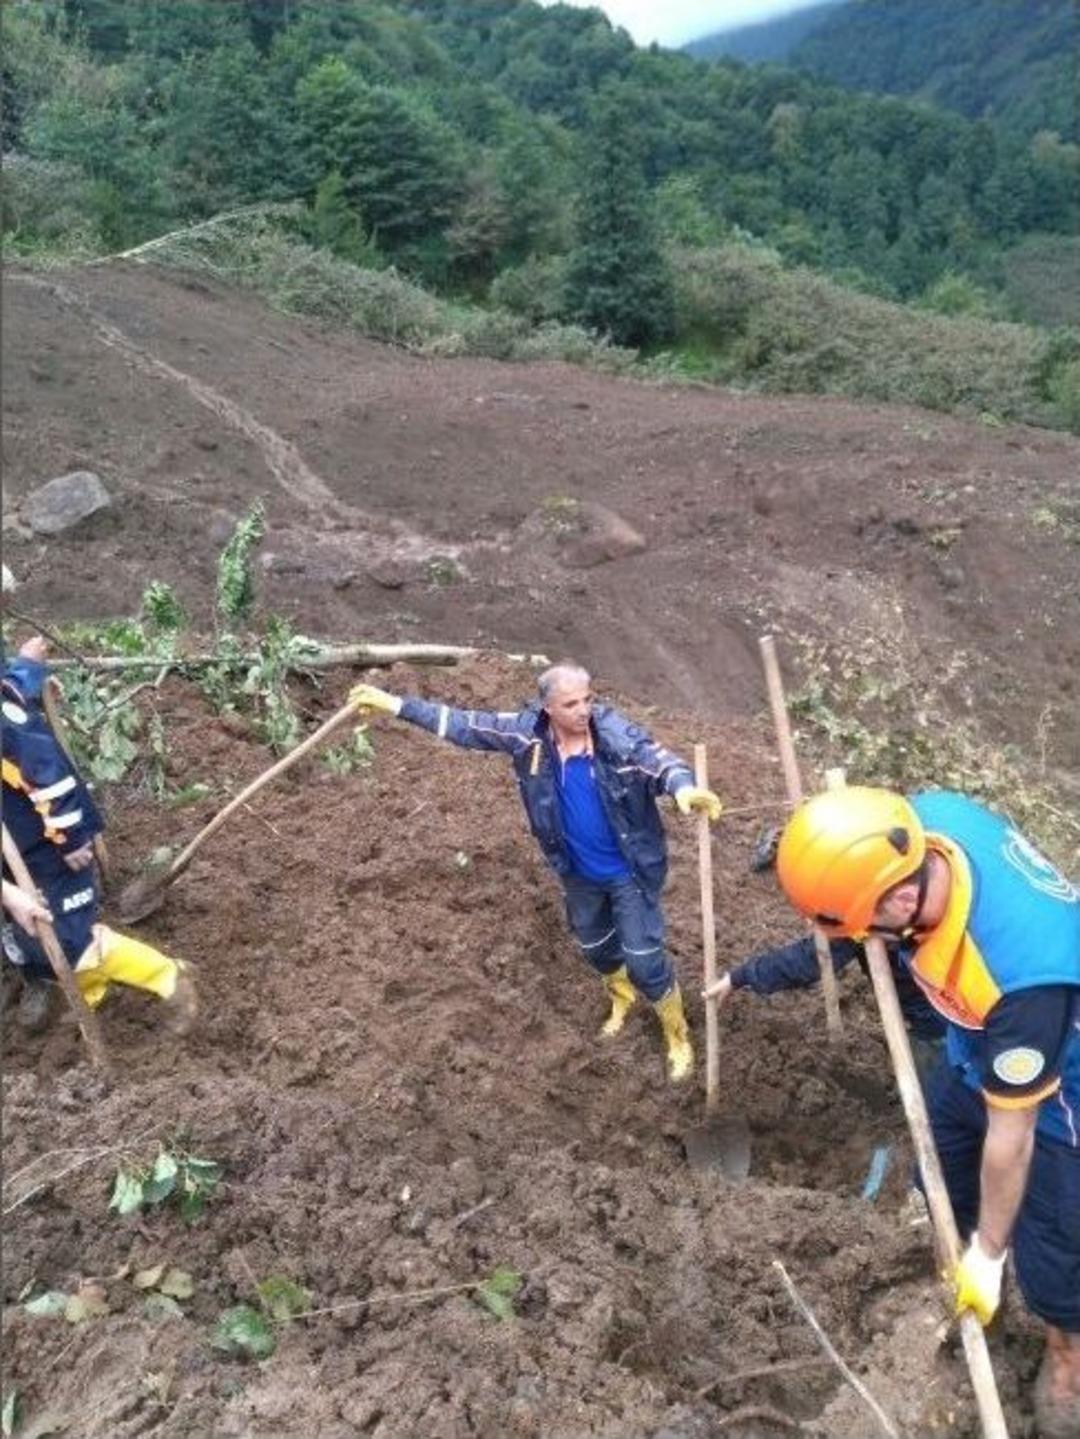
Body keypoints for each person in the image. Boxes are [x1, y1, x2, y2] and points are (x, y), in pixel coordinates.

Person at [773, 784, 1080, 1437]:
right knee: (940, 1156)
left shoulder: (1022, 974)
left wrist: (993, 1255)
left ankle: (1066, 1354)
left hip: (1059, 1079)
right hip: (975, 1033)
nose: (866, 940)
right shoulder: (924, 820)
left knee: (1054, 1243)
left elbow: (1013, 1135)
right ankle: (952, 1264)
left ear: (903, 899)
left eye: (867, 927)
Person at [350, 662, 722, 1081]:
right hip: (576, 872)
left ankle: (677, 1033)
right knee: (597, 948)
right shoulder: (529, 737)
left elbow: (659, 761)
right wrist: (395, 705)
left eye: (588, 700)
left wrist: (684, 787)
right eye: (570, 704)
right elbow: (464, 724)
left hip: (628, 874)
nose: (583, 711)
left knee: (644, 960)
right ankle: (623, 999)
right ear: (547, 708)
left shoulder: (616, 741)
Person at [1, 573, 196, 1033]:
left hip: (45, 840)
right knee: (30, 934)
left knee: (68, 938)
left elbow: (45, 773)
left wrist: (69, 838)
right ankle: (90, 990)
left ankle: (167, 975)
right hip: (14, 845)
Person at [705, 933, 947, 1087]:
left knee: (943, 1085)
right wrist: (741, 977)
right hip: (931, 1012)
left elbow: (812, 959)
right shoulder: (864, 907)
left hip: (946, 1017)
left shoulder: (873, 908)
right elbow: (813, 957)